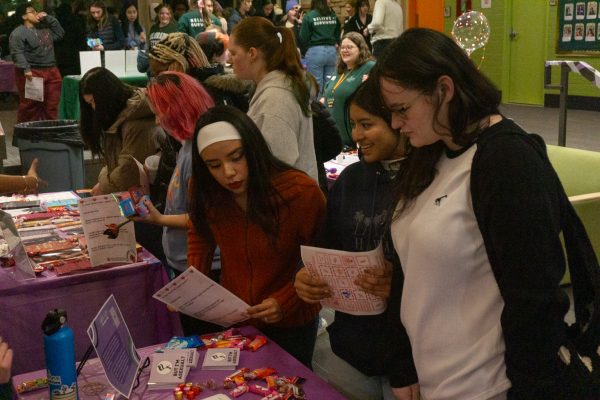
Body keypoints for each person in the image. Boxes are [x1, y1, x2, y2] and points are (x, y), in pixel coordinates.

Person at [374, 27, 600, 399]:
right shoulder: (431, 150)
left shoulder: (506, 160)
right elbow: (409, 273)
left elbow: (535, 302)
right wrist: (402, 362)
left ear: (444, 90)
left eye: (402, 109)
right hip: (436, 377)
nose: (396, 123)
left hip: (489, 386)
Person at [295, 79, 418, 400]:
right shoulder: (352, 178)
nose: (356, 136)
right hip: (350, 346)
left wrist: (401, 283)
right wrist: (306, 278)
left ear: (399, 122)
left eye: (367, 124)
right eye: (353, 125)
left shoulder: (426, 181)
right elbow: (324, 247)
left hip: (413, 354)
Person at [188, 105, 326, 367]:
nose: (228, 172)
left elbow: (320, 258)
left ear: (253, 149)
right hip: (236, 316)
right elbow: (200, 232)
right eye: (214, 165)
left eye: (236, 157)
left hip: (292, 321)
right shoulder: (204, 188)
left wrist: (285, 301)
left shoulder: (300, 191)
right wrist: (195, 282)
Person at [137, 71, 215, 334]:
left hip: (204, 268)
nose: (157, 120)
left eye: (159, 112)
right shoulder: (186, 147)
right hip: (187, 263)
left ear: (177, 110)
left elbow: (204, 219)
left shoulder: (198, 154)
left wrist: (158, 219)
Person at [230, 17, 318, 181]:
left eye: (234, 53)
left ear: (252, 53)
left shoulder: (275, 99)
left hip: (286, 201)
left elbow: (278, 169)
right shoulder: (275, 89)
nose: (229, 60)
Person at [78, 67, 164, 196]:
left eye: (94, 102)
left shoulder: (135, 123)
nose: (94, 108)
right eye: (89, 103)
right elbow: (118, 162)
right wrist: (104, 181)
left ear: (107, 96)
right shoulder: (119, 117)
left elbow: (128, 171)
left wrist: (103, 184)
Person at [9, 3, 64, 123]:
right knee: (30, 106)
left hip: (52, 70)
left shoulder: (44, 29)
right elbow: (17, 51)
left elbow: (60, 34)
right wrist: (26, 68)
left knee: (52, 105)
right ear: (24, 16)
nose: (35, 13)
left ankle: (49, 132)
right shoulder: (18, 32)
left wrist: (48, 18)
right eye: (31, 11)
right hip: (33, 71)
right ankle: (28, 134)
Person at [322, 32, 374, 147]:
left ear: (360, 49)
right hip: (334, 139)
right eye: (343, 47)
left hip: (355, 139)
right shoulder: (339, 70)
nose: (345, 50)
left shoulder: (369, 67)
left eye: (349, 47)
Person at [299, 0, 340, 96]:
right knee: (330, 83)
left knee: (315, 84)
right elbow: (338, 35)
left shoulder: (309, 16)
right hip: (332, 51)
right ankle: (328, 109)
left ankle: (317, 109)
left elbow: (303, 37)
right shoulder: (333, 15)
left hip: (315, 51)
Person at [137, 4, 177, 74]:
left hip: (166, 66)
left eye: (167, 14)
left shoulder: (174, 27)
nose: (164, 16)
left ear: (170, 15)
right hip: (152, 65)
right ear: (158, 15)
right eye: (162, 13)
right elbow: (150, 46)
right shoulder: (153, 27)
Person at [54, 0, 88, 76]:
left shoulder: (56, 23)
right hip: (76, 58)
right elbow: (82, 40)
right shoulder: (77, 21)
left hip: (61, 58)